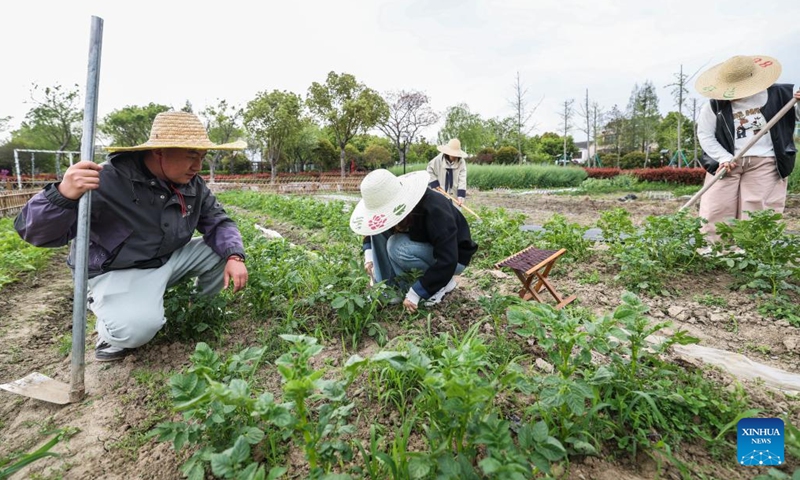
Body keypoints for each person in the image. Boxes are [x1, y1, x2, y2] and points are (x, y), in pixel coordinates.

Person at [14, 111, 249, 361]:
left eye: (202, 157)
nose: (198, 166)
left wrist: (234, 255)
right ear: (160, 151)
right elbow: (34, 232)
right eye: (191, 156)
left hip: (164, 258)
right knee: (136, 330)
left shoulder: (192, 184)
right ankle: (110, 330)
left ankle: (197, 308)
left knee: (222, 250)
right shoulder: (105, 180)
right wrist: (63, 195)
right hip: (118, 269)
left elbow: (218, 222)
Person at [695, 55, 800, 244]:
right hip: (726, 162)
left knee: (756, 208)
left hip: (766, 161)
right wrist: (723, 157)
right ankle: (715, 252)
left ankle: (751, 254)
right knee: (717, 206)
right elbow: (705, 135)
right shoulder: (714, 104)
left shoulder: (783, 95)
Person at [349, 169, 478, 313]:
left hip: (454, 258)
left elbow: (449, 258)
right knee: (380, 231)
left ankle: (437, 285)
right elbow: (373, 228)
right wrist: (369, 255)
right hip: (426, 245)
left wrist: (417, 292)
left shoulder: (435, 209)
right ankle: (389, 288)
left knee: (397, 246)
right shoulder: (403, 211)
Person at [427, 138, 468, 207]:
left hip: (454, 195)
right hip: (440, 191)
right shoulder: (438, 160)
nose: (454, 156)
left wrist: (461, 195)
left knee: (456, 213)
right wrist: (435, 183)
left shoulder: (461, 162)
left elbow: (462, 180)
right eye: (452, 153)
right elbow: (429, 170)